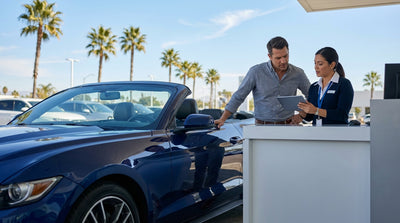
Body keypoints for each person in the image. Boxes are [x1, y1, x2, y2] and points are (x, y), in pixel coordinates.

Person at [215, 36, 310, 127]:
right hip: (261, 127)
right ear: (270, 56)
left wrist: (302, 115)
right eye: (278, 58)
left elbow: (313, 95)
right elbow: (239, 96)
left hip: (289, 126)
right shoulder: (256, 72)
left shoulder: (298, 73)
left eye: (285, 56)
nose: (283, 61)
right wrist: (223, 119)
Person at [297, 47, 354, 125]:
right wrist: (303, 112)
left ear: (332, 65)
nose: (315, 67)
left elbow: (342, 115)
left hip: (337, 134)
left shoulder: (344, 84)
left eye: (320, 64)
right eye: (315, 63)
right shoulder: (314, 87)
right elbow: (310, 117)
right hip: (317, 133)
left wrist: (316, 110)